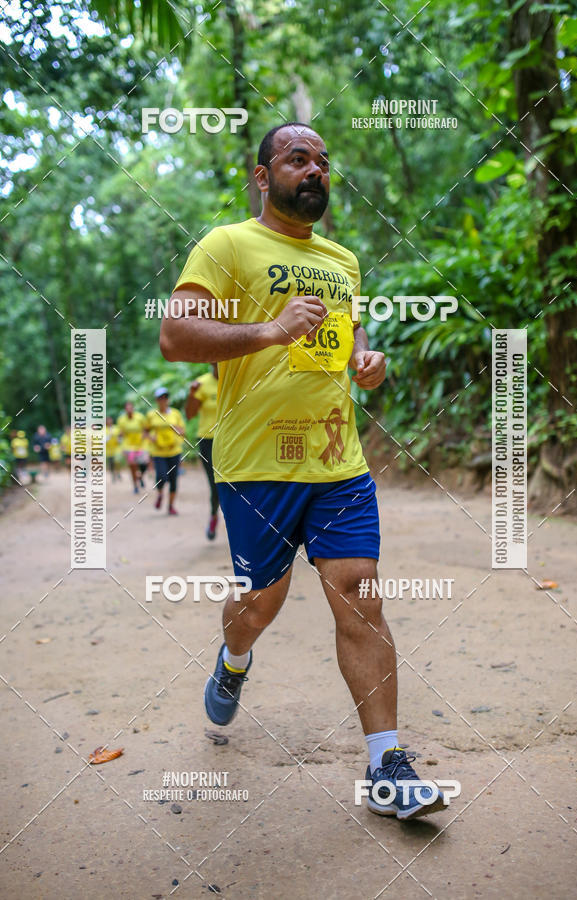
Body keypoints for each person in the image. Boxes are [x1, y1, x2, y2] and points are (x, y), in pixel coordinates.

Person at [160, 122, 448, 821]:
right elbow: (174, 335)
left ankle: (387, 764)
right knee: (260, 604)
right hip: (256, 464)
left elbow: (353, 343)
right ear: (263, 176)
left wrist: (368, 364)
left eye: (323, 161)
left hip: (336, 462)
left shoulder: (344, 260)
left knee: (359, 593)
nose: (315, 170)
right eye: (298, 159)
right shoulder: (226, 245)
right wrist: (267, 330)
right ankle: (234, 661)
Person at [185, 364, 220, 540]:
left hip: (233, 439)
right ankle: (214, 515)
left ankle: (237, 525)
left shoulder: (238, 378)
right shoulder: (202, 384)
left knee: (236, 484)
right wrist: (192, 394)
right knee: (215, 484)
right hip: (208, 440)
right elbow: (190, 414)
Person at [145, 387, 185, 515]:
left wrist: (178, 432)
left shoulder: (175, 414)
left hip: (174, 451)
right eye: (160, 398)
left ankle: (171, 506)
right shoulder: (152, 415)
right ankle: (160, 494)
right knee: (162, 476)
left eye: (165, 397)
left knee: (173, 479)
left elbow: (182, 430)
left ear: (168, 399)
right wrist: (151, 437)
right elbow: (145, 431)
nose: (163, 400)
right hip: (158, 451)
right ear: (156, 400)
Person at [117, 401, 146, 493]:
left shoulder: (140, 417)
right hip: (128, 446)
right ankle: (135, 486)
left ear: (133, 408)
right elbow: (120, 434)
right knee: (132, 466)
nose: (129, 410)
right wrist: (120, 444)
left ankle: (140, 477)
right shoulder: (122, 420)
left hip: (140, 445)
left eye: (130, 408)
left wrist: (144, 436)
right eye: (127, 408)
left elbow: (146, 429)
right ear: (125, 409)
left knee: (143, 465)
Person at [105, 416, 122, 482]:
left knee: (117, 461)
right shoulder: (104, 429)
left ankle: (118, 472)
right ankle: (113, 475)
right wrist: (109, 436)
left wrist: (119, 440)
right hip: (108, 450)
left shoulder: (116, 428)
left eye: (110, 420)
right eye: (108, 420)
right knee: (111, 463)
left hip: (117, 448)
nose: (109, 422)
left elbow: (120, 436)